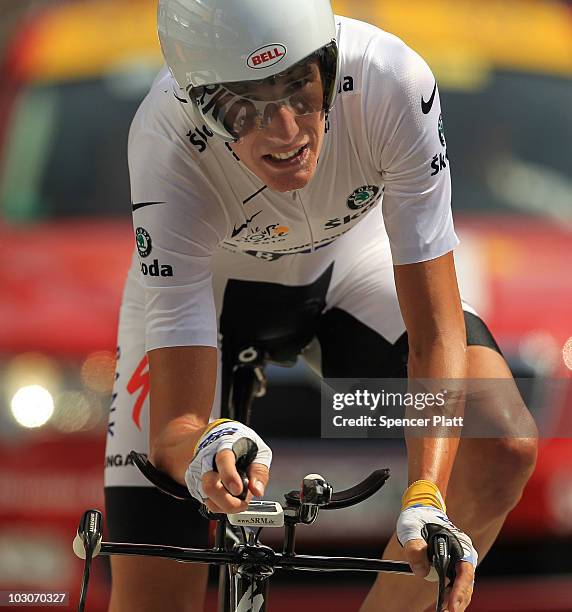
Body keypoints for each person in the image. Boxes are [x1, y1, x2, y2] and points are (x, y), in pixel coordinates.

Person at [103, 1, 538, 610]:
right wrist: (202, 444)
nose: (286, 131)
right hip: (213, 298)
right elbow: (173, 427)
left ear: (331, 64)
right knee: (153, 597)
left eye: (302, 90)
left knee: (501, 439)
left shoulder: (391, 80)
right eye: (244, 106)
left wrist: (426, 496)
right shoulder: (164, 139)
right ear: (199, 102)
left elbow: (434, 327)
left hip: (349, 272)